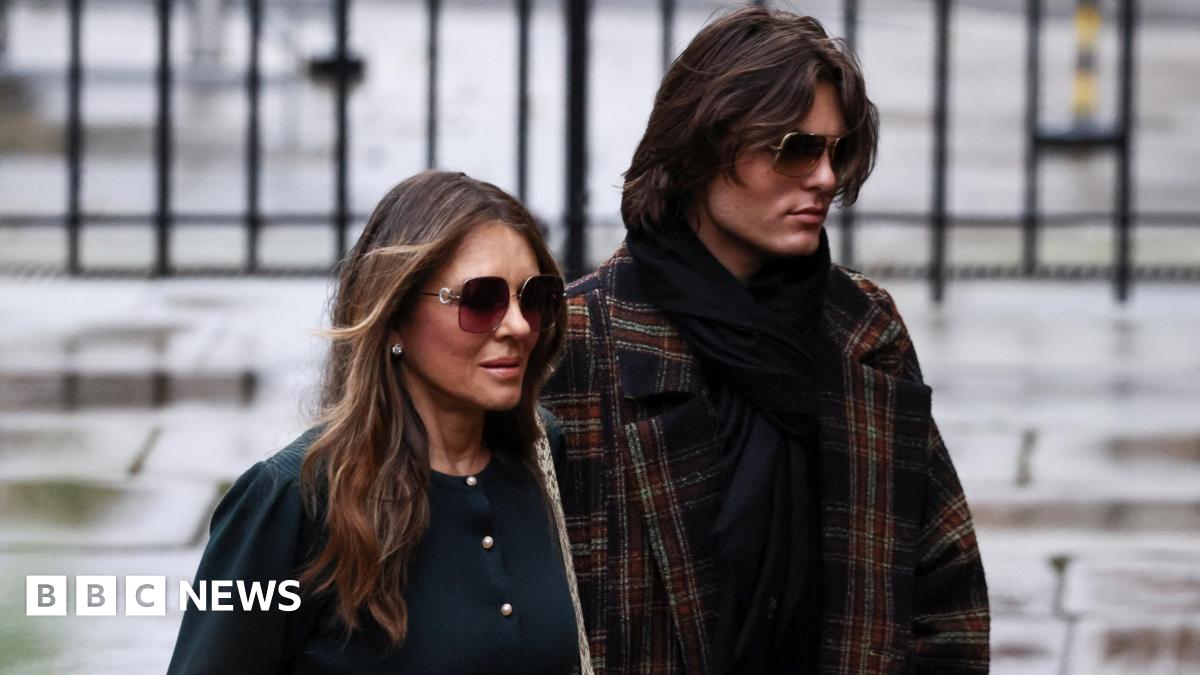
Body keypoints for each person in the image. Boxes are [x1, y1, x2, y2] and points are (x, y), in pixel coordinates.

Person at [542, 7, 989, 674]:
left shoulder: (860, 329)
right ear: (703, 147)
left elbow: (942, 586)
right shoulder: (581, 338)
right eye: (795, 149)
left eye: (835, 150)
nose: (825, 178)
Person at [169, 171, 591, 674]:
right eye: (481, 300)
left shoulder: (546, 458)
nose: (519, 326)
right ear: (394, 316)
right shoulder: (295, 500)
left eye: (535, 298)